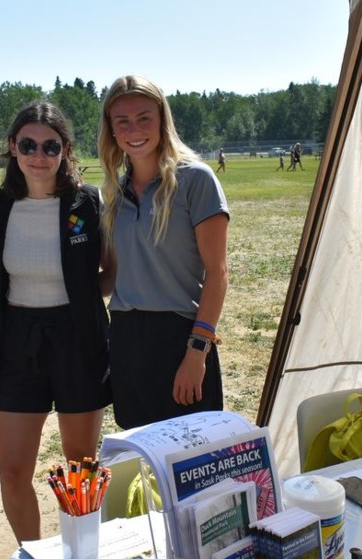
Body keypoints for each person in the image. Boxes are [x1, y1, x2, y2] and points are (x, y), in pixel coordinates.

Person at [0, 102, 114, 543]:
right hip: (18, 343)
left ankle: (81, 551)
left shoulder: (88, 202)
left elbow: (109, 270)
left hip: (78, 338)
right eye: (27, 144)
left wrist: (79, 298)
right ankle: (35, 557)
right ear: (12, 149)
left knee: (81, 465)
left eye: (50, 145)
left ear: (65, 150)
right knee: (13, 470)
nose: (38, 155)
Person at [98, 75, 230, 430]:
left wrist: (196, 353)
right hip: (126, 338)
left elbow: (217, 274)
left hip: (181, 337)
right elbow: (113, 276)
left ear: (162, 121)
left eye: (144, 118)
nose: (134, 129)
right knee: (143, 456)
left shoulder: (195, 180)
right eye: (121, 121)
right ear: (110, 130)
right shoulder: (113, 193)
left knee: (194, 460)